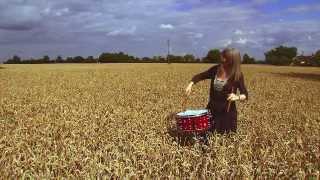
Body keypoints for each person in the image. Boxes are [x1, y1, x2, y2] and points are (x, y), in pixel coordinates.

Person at [185, 48, 248, 135]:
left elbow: (245, 94)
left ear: (232, 61)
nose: (222, 60)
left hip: (227, 114)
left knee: (224, 139)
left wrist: (237, 97)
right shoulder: (215, 69)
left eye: (225, 58)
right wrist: (191, 84)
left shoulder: (237, 75)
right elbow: (201, 76)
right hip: (212, 110)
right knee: (206, 137)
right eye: (222, 57)